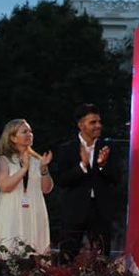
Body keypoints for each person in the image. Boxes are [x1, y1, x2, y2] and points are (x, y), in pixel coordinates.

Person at [51, 103, 120, 262]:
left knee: (101, 258)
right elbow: (61, 180)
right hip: (74, 211)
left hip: (100, 211)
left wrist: (103, 166)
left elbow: (117, 179)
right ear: (81, 125)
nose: (98, 126)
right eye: (93, 122)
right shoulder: (67, 149)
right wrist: (82, 166)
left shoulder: (108, 148)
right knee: (67, 257)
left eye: (99, 122)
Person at [0, 119, 53, 260]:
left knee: (36, 255)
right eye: (24, 131)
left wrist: (44, 169)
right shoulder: (4, 160)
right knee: (10, 253)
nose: (29, 134)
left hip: (34, 212)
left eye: (30, 131)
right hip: (11, 212)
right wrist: (24, 169)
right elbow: (4, 186)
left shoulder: (37, 160)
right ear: (12, 137)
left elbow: (47, 189)